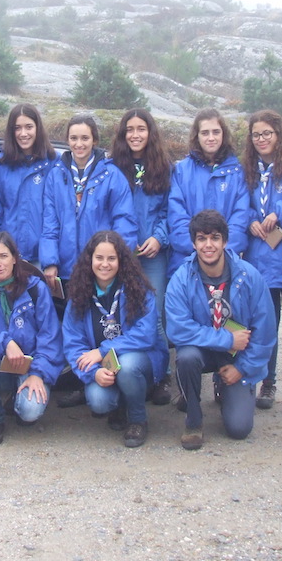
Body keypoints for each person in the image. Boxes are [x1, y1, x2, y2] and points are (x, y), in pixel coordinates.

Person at [166, 209, 275, 451]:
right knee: (186, 357)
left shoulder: (249, 276)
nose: (208, 245)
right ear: (193, 243)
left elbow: (265, 332)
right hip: (205, 349)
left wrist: (242, 368)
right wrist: (226, 339)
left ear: (225, 241)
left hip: (238, 356)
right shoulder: (181, 279)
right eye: (202, 238)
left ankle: (225, 384)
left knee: (239, 429)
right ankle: (194, 419)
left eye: (215, 238)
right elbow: (178, 330)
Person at [61, 230, 165, 447]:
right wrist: (93, 372)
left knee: (127, 366)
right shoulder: (80, 292)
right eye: (99, 258)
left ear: (121, 261)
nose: (104, 264)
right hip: (102, 367)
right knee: (99, 401)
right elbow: (73, 343)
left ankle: (138, 419)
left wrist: (102, 350)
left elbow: (146, 335)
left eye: (111, 258)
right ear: (90, 260)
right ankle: (120, 405)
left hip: (137, 361)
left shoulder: (138, 288)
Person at [0, 232, 63, 445]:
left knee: (29, 412)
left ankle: (17, 400)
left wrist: (38, 373)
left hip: (31, 365)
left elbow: (50, 336)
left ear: (15, 258)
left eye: (3, 256)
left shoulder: (35, 288)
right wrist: (5, 342)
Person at [109, 108, 174, 405]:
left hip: (152, 254)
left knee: (155, 312)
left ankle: (161, 375)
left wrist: (158, 238)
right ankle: (120, 371)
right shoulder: (112, 167)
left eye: (141, 129)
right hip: (120, 255)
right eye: (130, 130)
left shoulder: (163, 167)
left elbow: (169, 211)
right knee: (120, 313)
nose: (135, 135)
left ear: (150, 133)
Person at [40, 114, 138, 298]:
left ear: (95, 140)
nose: (79, 144)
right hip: (66, 268)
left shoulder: (112, 175)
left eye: (85, 138)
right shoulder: (55, 176)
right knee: (67, 322)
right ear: (67, 140)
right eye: (74, 138)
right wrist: (50, 261)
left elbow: (124, 221)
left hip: (101, 268)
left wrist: (114, 259)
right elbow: (50, 224)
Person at [242, 109, 282, 413]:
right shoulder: (248, 170)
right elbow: (242, 204)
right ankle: (269, 382)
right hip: (260, 259)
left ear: (279, 134)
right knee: (266, 326)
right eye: (256, 135)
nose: (262, 139)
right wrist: (251, 219)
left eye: (267, 133)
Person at [167, 108, 249, 275]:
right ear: (197, 136)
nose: (211, 138)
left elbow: (240, 218)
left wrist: (218, 251)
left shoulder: (237, 173)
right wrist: (199, 248)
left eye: (216, 132)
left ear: (223, 134)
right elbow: (177, 216)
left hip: (226, 263)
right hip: (186, 261)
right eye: (205, 133)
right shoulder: (181, 171)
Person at [0, 103, 58, 266]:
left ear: (38, 128)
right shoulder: (0, 163)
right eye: (17, 128)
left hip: (41, 256)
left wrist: (50, 257)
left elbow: (55, 215)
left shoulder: (53, 162)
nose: (23, 133)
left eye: (29, 127)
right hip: (8, 255)